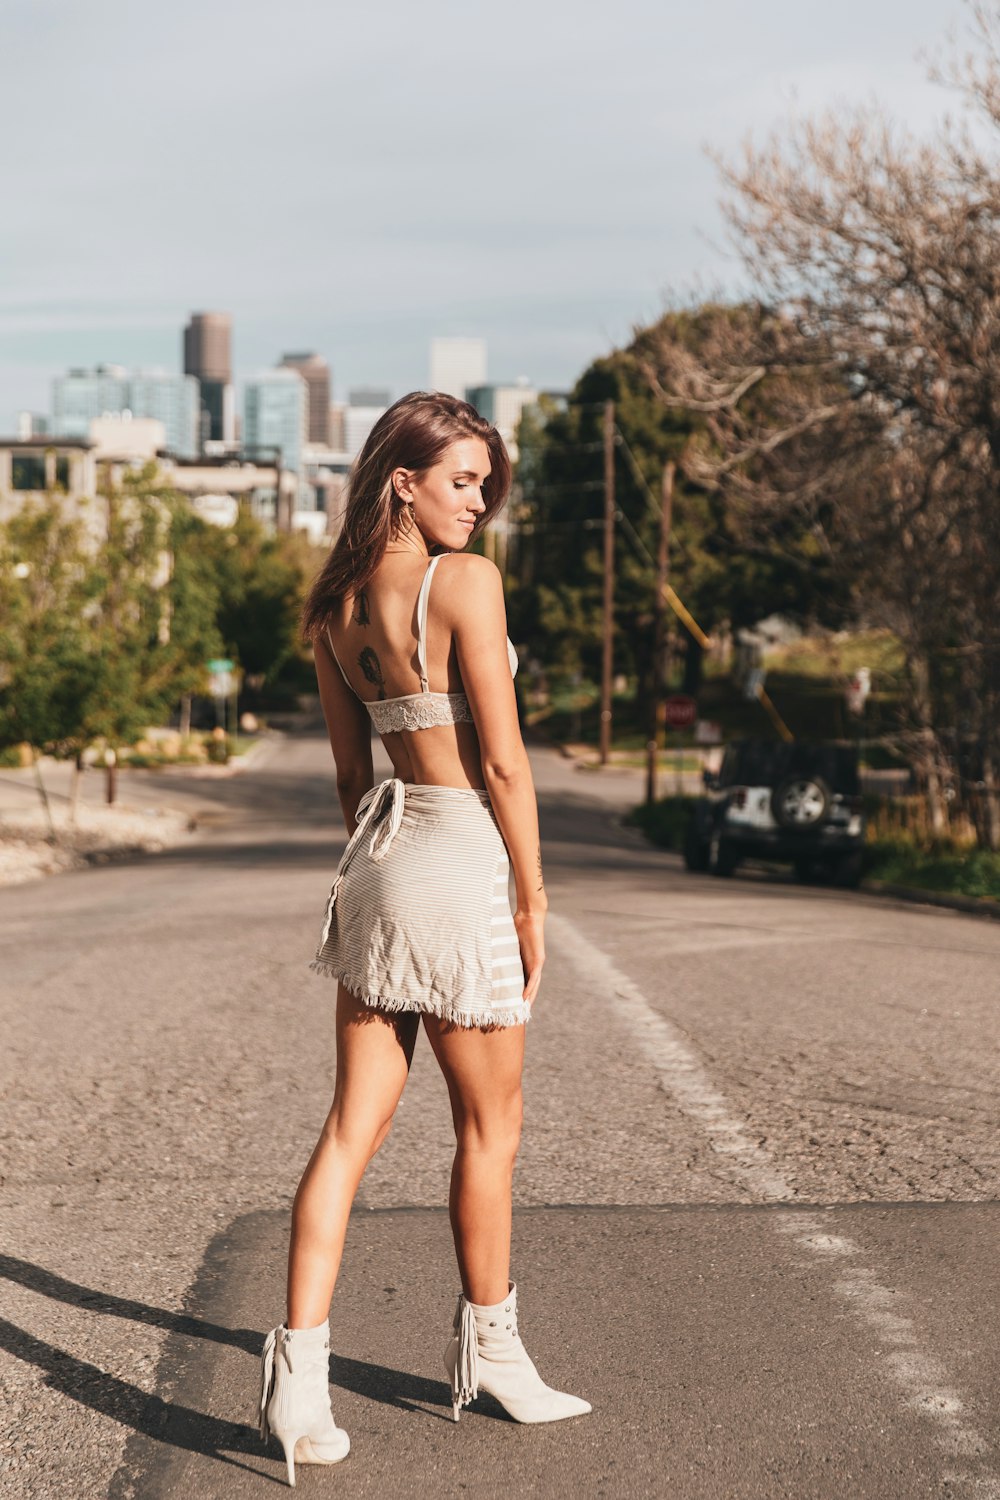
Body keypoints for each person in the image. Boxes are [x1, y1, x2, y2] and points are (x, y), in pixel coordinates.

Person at [257, 391, 591, 1485]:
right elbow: (500, 764)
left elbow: (354, 781)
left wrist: (382, 870)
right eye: (461, 481)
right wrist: (531, 898)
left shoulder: (338, 604)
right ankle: (490, 1354)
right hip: (457, 859)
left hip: (380, 856)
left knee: (351, 1129)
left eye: (486, 485)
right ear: (402, 481)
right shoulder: (466, 586)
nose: (481, 505)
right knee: (490, 1127)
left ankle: (296, 1377)